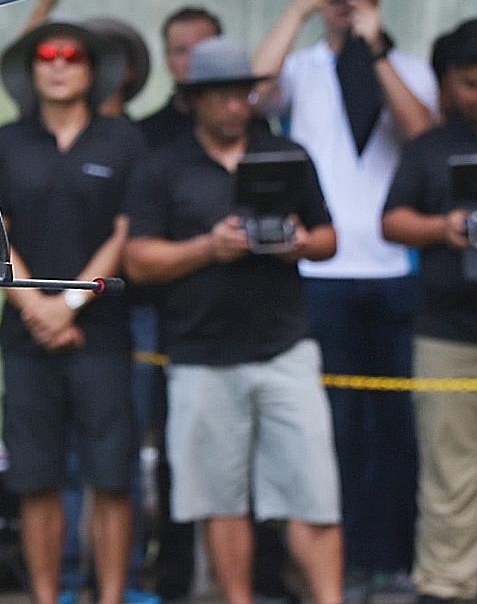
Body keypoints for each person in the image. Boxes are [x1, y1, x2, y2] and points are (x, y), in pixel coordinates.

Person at [125, 37, 344, 604]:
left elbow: (328, 238)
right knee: (219, 500)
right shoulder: (161, 167)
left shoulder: (286, 154)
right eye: (220, 96)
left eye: (242, 94)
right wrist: (208, 248)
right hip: (200, 354)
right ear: (193, 99)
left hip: (284, 346)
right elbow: (139, 260)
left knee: (313, 493)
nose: (234, 106)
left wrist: (297, 243)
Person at [254, 0, 436, 591]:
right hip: (321, 273)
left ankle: (389, 559)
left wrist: (375, 45)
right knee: (328, 425)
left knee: (395, 428)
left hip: (393, 269)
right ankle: (336, 564)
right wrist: (299, 9)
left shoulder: (407, 67)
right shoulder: (301, 67)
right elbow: (250, 92)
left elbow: (424, 135)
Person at [0, 21, 143, 604]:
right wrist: (38, 309)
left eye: (72, 55)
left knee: (112, 476)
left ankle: (111, 596)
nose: (58, 64)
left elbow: (127, 231)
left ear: (92, 70)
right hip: (26, 335)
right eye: (46, 54)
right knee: (35, 477)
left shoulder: (123, 142)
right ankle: (46, 597)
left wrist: (69, 304)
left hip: (100, 332)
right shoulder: (3, 142)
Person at [381, 18, 477, 604]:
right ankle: (446, 589)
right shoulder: (429, 147)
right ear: (450, 84)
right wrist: (444, 228)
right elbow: (391, 221)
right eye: (472, 84)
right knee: (448, 476)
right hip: (445, 332)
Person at [137, 7, 224, 149]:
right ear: (167, 59)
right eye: (181, 51)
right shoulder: (145, 136)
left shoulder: (252, 129)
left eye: (203, 49)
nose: (193, 60)